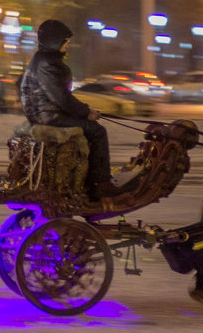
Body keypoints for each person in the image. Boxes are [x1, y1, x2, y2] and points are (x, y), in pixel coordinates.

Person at [19, 19, 126, 199]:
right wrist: (86, 112)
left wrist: (85, 111)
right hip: (48, 116)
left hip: (45, 113)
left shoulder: (44, 59)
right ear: (54, 41)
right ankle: (100, 183)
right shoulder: (48, 64)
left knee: (90, 128)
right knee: (97, 131)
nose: (67, 46)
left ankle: (89, 178)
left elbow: (59, 96)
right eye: (65, 42)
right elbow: (61, 97)